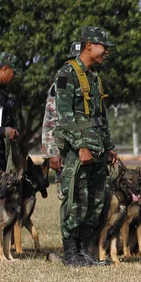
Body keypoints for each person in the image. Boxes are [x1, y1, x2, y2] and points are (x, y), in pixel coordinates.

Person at [54, 26, 118, 267]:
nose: (106, 52)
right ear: (89, 45)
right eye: (103, 47)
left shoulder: (94, 76)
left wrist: (109, 146)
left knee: (95, 201)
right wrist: (81, 145)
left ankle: (84, 252)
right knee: (76, 200)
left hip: (98, 150)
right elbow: (64, 115)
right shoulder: (67, 73)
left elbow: (100, 115)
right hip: (78, 153)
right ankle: (71, 253)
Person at [42, 41, 81, 200]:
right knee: (69, 198)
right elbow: (50, 119)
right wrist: (52, 152)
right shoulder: (62, 82)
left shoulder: (90, 82)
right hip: (66, 151)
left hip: (87, 149)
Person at [0, 52, 22, 192]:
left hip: (1, 155)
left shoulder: (2, 93)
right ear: (5, 69)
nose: (14, 77)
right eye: (13, 73)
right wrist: (2, 131)